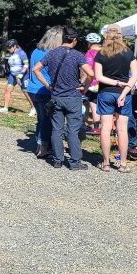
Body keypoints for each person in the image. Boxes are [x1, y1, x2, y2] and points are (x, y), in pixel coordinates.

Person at [33, 26, 92, 171]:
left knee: (57, 129)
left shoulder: (52, 53)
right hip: (73, 97)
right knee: (72, 130)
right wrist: (84, 87)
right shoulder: (78, 55)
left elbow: (36, 69)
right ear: (74, 40)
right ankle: (75, 162)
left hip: (56, 97)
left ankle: (57, 160)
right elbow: (91, 73)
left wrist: (48, 85)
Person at [93, 24, 137, 173]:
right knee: (122, 129)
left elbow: (98, 76)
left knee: (105, 128)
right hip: (124, 94)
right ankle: (123, 164)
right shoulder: (128, 53)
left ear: (106, 35)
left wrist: (115, 83)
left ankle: (106, 163)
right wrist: (124, 91)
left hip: (105, 92)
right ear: (121, 35)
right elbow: (135, 75)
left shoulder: (101, 54)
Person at [25, 26, 63, 158]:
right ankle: (43, 148)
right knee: (47, 120)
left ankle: (39, 146)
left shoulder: (36, 51)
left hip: (32, 89)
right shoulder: (52, 54)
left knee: (41, 119)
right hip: (45, 90)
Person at [0, 39, 29, 113]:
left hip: (22, 75)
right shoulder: (12, 53)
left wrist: (21, 74)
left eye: (10, 47)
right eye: (7, 48)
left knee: (25, 92)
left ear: (15, 46)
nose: (8, 49)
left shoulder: (21, 53)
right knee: (8, 90)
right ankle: (5, 108)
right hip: (13, 75)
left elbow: (26, 64)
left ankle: (34, 108)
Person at [82, 33, 103, 135]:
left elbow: (87, 70)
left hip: (93, 83)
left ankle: (96, 127)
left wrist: (83, 83)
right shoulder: (105, 52)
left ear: (89, 43)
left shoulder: (89, 53)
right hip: (105, 82)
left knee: (93, 104)